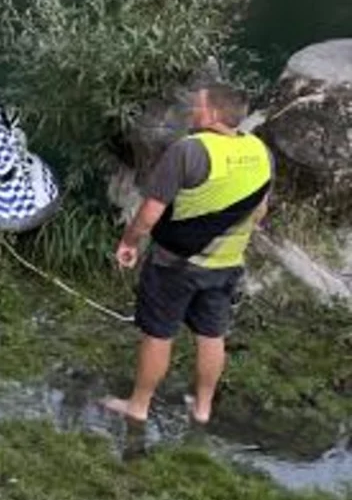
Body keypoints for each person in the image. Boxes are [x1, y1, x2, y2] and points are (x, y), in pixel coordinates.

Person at [103, 83, 273, 427]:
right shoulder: (261, 151)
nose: (192, 112)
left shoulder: (188, 151)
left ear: (212, 114)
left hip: (175, 263)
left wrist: (128, 242)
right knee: (212, 335)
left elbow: (150, 214)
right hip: (226, 264)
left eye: (197, 106)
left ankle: (138, 406)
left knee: (159, 334)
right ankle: (202, 408)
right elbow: (259, 212)